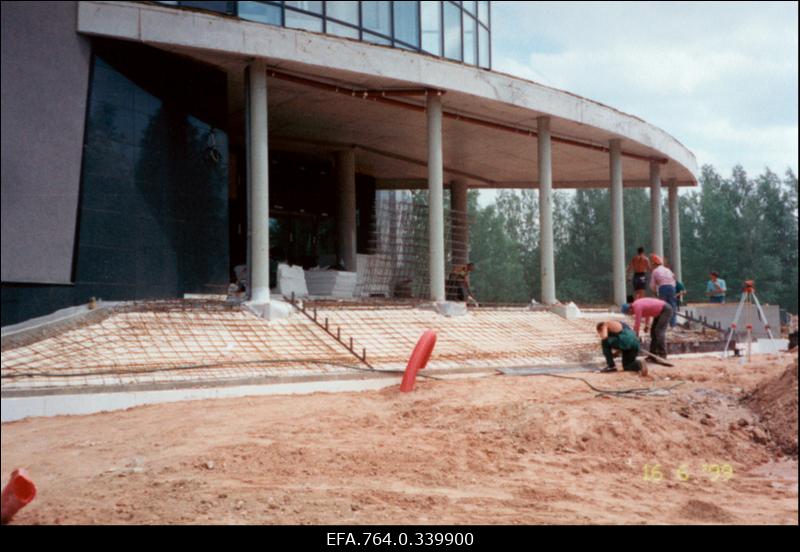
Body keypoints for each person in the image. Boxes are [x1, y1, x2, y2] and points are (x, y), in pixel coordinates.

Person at [649, 254, 677, 327]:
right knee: (672, 305)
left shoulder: (655, 271)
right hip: (672, 288)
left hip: (663, 287)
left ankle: (664, 325)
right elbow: (674, 278)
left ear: (654, 264)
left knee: (663, 307)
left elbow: (652, 285)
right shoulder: (668, 270)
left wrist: (655, 293)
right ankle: (673, 324)